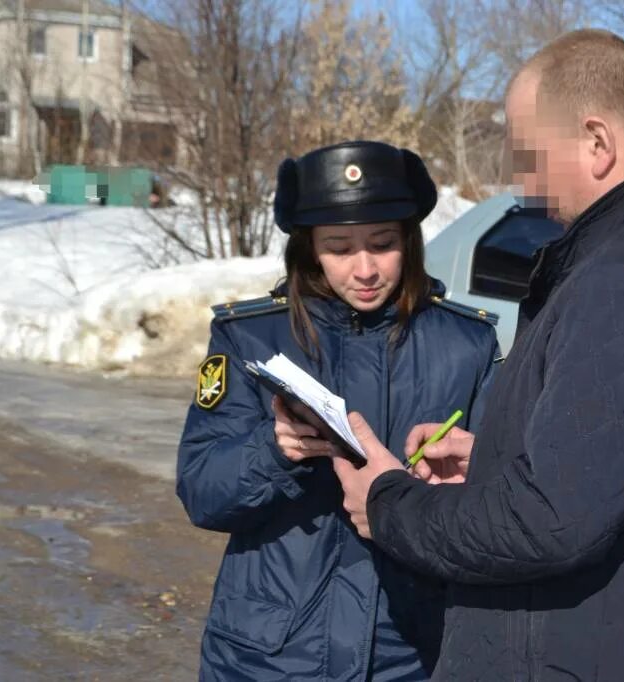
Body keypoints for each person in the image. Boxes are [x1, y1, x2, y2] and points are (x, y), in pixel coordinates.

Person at [332, 30, 624, 680]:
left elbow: (546, 522)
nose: (523, 183)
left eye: (530, 157)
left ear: (597, 142)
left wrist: (388, 504)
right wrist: (496, 459)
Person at [176, 140, 500, 681]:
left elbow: (498, 509)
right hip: (268, 658)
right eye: (340, 247)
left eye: (383, 243)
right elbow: (202, 492)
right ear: (308, 249)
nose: (366, 268)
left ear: (410, 241)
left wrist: (456, 486)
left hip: (410, 654)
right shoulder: (248, 337)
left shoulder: (467, 344)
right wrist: (272, 450)